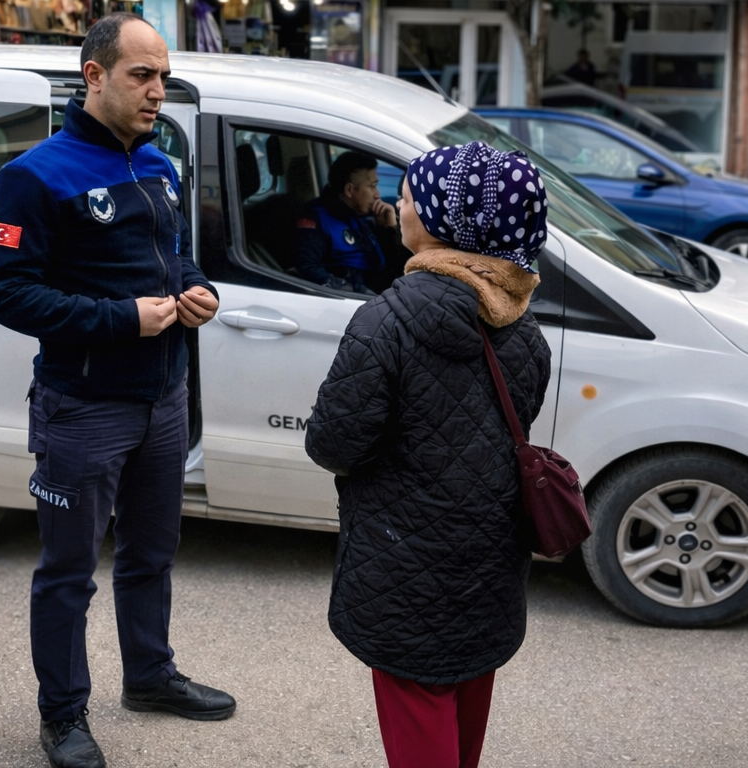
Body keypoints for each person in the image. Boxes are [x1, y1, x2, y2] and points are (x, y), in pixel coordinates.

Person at [0, 14, 235, 768]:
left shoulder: (158, 165)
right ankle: (62, 717)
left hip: (163, 401)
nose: (157, 91)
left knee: (151, 553)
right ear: (94, 75)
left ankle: (150, 677)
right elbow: (9, 295)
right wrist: (123, 320)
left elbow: (174, 262)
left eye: (163, 77)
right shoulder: (34, 176)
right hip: (83, 407)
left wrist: (198, 291)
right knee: (67, 572)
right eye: (141, 75)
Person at [305, 141, 554, 768]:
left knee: (417, 700)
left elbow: (334, 444)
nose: (398, 205)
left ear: (449, 221)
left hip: (404, 560)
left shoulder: (385, 322)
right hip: (491, 557)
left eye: (412, 196)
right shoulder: (522, 325)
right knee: (467, 690)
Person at [293, 150, 402, 295]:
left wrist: (389, 227)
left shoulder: (362, 213)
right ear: (349, 190)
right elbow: (306, 267)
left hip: (385, 289)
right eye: (372, 186)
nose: (377, 194)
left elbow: (394, 263)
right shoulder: (316, 217)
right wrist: (347, 289)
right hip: (355, 297)